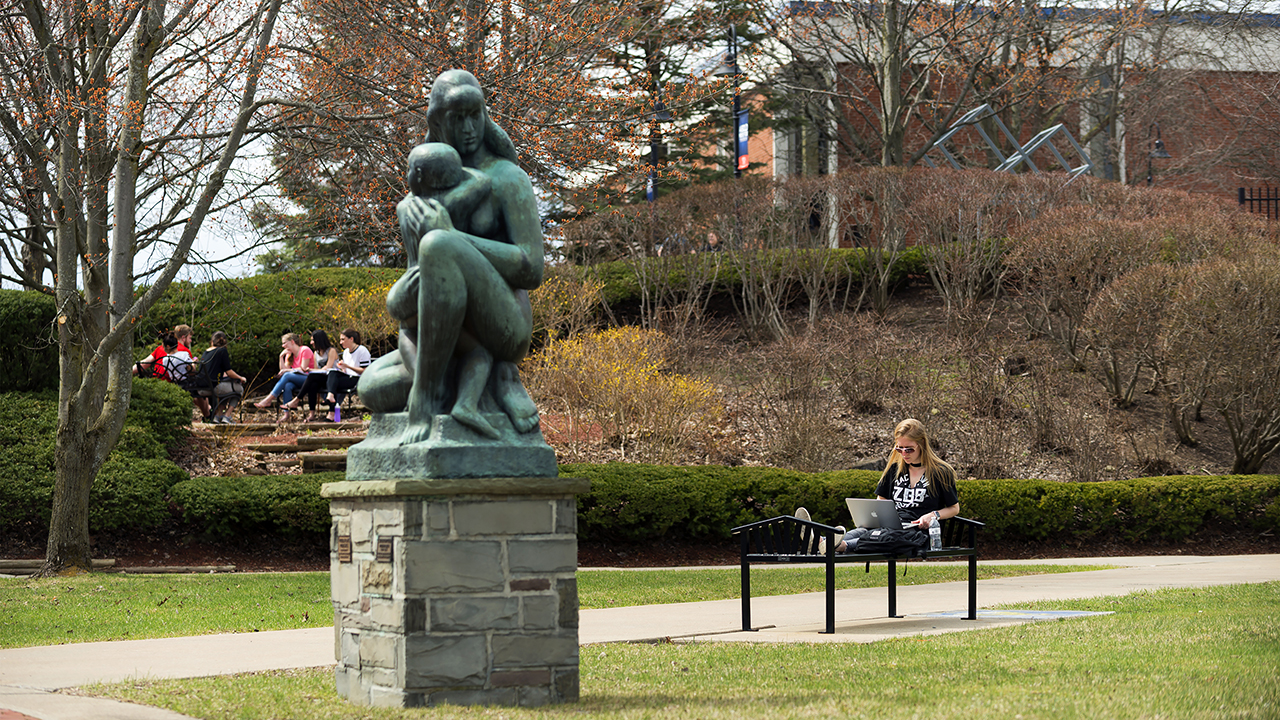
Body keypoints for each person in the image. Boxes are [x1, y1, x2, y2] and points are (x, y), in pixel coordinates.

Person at [361, 69, 542, 444]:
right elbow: (417, 292)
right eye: (457, 118)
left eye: (475, 115)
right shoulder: (421, 194)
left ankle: (426, 399)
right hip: (446, 335)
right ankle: (460, 383)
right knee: (370, 388)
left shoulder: (506, 177)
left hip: (503, 324)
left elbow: (531, 267)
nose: (469, 127)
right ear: (437, 121)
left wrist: (453, 236)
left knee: (439, 245)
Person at [798, 418, 960, 553]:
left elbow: (954, 508)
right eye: (899, 449)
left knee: (889, 536)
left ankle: (838, 545)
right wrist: (877, 516)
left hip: (916, 531)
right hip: (890, 525)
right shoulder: (895, 470)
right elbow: (881, 499)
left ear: (922, 444)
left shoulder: (940, 472)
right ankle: (823, 541)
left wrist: (933, 516)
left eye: (909, 449)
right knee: (865, 531)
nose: (904, 454)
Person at [190, 331, 248, 424]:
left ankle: (218, 416)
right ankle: (227, 416)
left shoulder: (206, 352)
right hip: (213, 387)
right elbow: (229, 372)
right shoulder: (222, 351)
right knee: (239, 389)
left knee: (227, 391)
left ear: (212, 341)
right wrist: (241, 378)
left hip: (201, 387)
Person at [254, 333, 314, 422]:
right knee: (287, 385)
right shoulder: (289, 355)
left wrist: (287, 371)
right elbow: (283, 370)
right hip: (296, 380)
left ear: (292, 341)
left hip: (308, 380)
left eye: (285, 343)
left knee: (287, 375)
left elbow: (303, 369)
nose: (283, 346)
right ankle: (287, 415)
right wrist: (281, 357)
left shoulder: (305, 350)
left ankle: (268, 399)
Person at [284, 330, 340, 422]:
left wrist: (310, 370)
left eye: (312, 340)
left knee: (311, 377)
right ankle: (312, 414)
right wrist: (310, 370)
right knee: (312, 384)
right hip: (322, 378)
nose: (311, 342)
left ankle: (297, 400)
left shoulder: (331, 351)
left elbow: (328, 368)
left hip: (333, 378)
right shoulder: (316, 353)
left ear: (319, 340)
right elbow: (316, 369)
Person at [326, 328, 370, 419]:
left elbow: (365, 371)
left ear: (351, 339)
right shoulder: (346, 352)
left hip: (357, 379)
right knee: (332, 374)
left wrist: (348, 366)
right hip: (348, 377)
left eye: (343, 339)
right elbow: (345, 371)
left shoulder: (362, 350)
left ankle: (331, 411)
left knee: (334, 382)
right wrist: (342, 368)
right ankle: (331, 409)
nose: (341, 342)